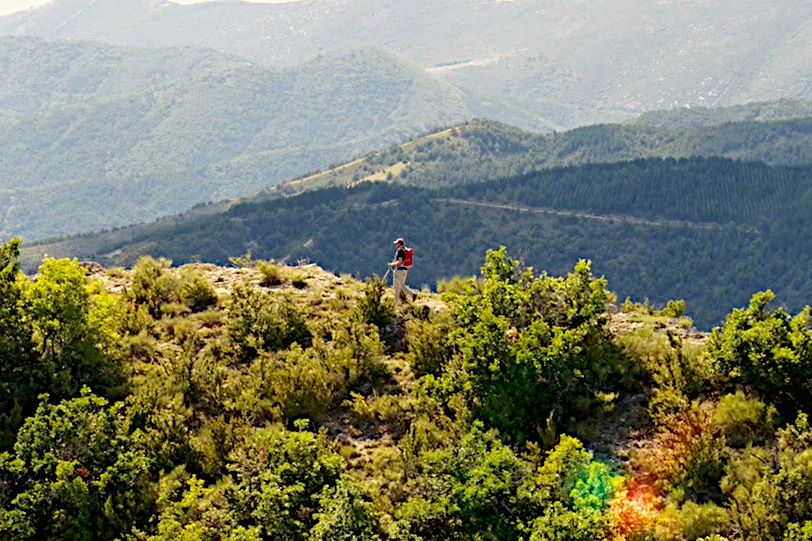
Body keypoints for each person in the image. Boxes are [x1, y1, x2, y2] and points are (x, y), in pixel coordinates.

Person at [388, 237, 417, 305]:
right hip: (405, 270)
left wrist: (391, 264)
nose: (396, 245)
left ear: (399, 244)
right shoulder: (405, 250)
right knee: (400, 286)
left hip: (399, 270)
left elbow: (400, 261)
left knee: (398, 286)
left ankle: (412, 294)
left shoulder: (400, 251)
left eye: (397, 244)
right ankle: (399, 301)